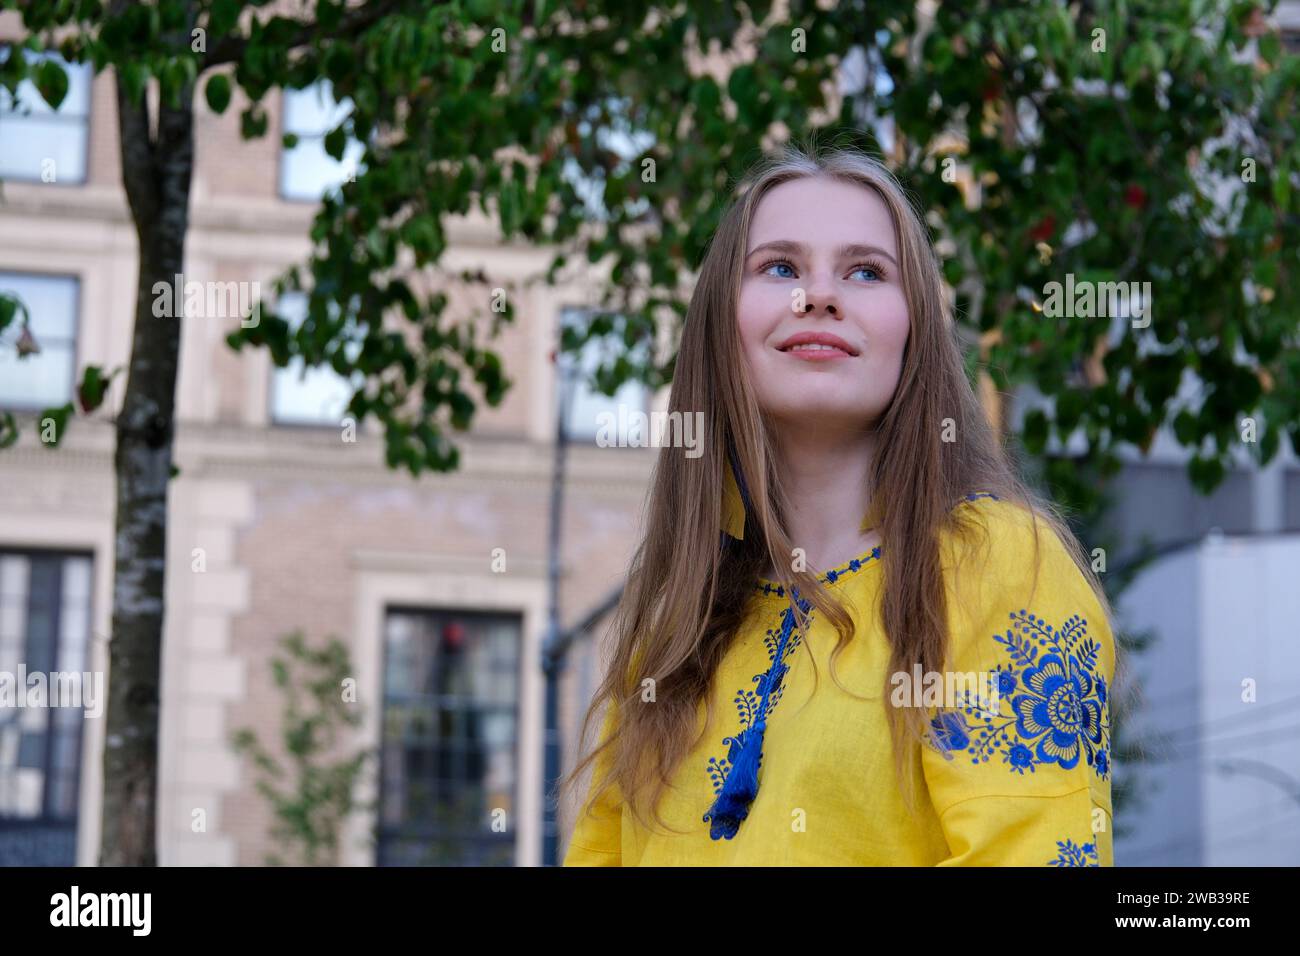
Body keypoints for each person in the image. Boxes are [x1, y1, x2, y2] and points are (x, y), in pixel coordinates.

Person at [558, 143, 1117, 866]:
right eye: (780, 267)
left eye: (865, 271)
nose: (818, 296)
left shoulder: (997, 565)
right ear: (720, 326)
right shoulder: (674, 626)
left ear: (914, 330)